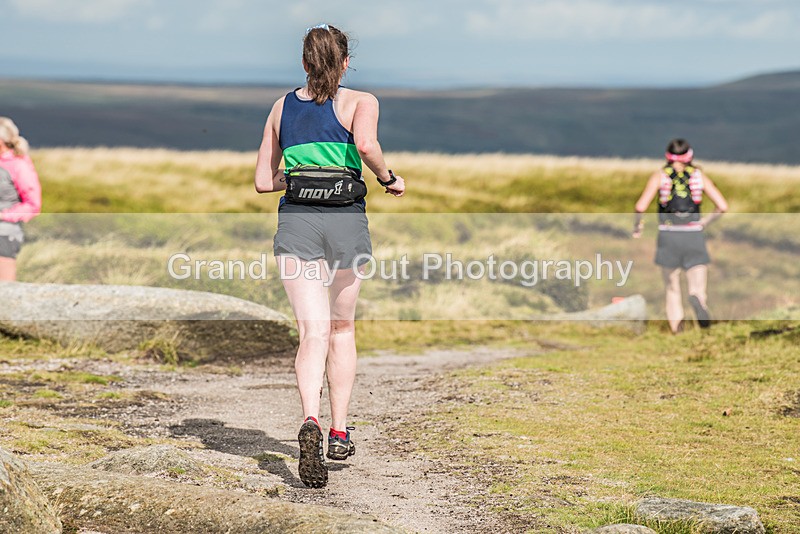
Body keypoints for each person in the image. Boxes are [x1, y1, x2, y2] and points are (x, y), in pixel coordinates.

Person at [254, 24, 405, 488]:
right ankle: (339, 431)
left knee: (311, 331)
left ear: (304, 63)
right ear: (344, 62)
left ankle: (310, 421)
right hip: (345, 225)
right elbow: (366, 146)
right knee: (342, 328)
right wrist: (387, 178)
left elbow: (264, 181)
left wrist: (299, 180)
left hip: (297, 223)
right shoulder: (363, 102)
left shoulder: (281, 107)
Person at [633, 139, 728, 334]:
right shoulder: (698, 175)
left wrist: (638, 226)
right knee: (697, 287)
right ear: (689, 155)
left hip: (668, 235)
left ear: (667, 156)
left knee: (672, 287)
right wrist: (705, 223)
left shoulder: (660, 176)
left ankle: (677, 330)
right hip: (693, 235)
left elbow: (640, 206)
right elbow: (722, 206)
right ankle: (697, 301)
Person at [0, 117, 42, 282]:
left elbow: (33, 205)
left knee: (4, 290)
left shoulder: (18, 165)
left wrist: (3, 215)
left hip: (4, 235)